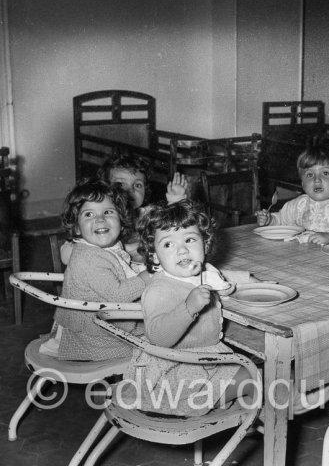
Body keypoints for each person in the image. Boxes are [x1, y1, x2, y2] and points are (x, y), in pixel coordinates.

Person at [121, 200, 255, 416]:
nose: (182, 250)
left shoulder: (200, 273)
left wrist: (246, 281)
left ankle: (250, 417)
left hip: (202, 359)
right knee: (254, 378)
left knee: (254, 373)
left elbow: (219, 279)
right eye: (168, 244)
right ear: (154, 255)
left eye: (190, 239)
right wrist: (188, 307)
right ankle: (261, 418)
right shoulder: (159, 289)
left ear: (205, 244)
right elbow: (158, 338)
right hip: (177, 372)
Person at [40, 179, 153, 360]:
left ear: (121, 221)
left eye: (108, 212)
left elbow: (119, 268)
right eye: (89, 214)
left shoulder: (102, 248)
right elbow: (118, 294)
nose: (100, 219)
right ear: (77, 227)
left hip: (103, 326)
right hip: (94, 339)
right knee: (160, 345)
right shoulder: (88, 258)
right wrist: (147, 277)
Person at [60, 154, 188, 264]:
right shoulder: (97, 219)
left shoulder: (149, 214)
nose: (130, 190)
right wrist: (118, 249)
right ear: (104, 189)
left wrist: (175, 201)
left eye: (138, 185)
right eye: (120, 184)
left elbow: (175, 227)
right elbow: (66, 255)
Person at [256, 145, 329, 246]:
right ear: (302, 183)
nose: (317, 179)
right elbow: (280, 221)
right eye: (310, 175)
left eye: (325, 173)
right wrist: (269, 220)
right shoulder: (298, 205)